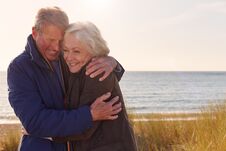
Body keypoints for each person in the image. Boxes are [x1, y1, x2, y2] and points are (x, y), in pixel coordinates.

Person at [7, 7, 124, 151]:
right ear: (35, 32)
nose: (56, 47)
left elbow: (92, 77)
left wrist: (112, 62)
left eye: (60, 40)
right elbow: (35, 122)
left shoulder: (67, 56)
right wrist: (89, 115)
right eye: (50, 40)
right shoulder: (19, 68)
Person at [52, 22, 137, 151]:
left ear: (93, 51)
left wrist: (43, 132)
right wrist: (114, 63)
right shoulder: (77, 68)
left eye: (76, 51)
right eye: (65, 50)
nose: (69, 57)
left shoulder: (97, 73)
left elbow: (84, 128)